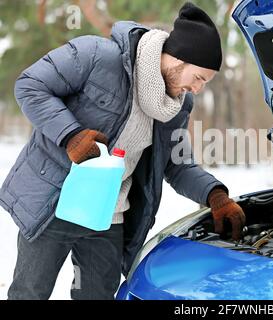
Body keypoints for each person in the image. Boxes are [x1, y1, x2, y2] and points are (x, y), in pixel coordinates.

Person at [0, 2, 246, 300]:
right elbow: (31, 85)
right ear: (179, 58)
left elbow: (177, 164)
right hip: (57, 201)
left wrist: (215, 196)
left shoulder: (177, 107)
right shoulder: (96, 56)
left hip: (109, 215)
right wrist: (71, 136)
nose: (197, 89)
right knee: (30, 293)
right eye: (198, 78)